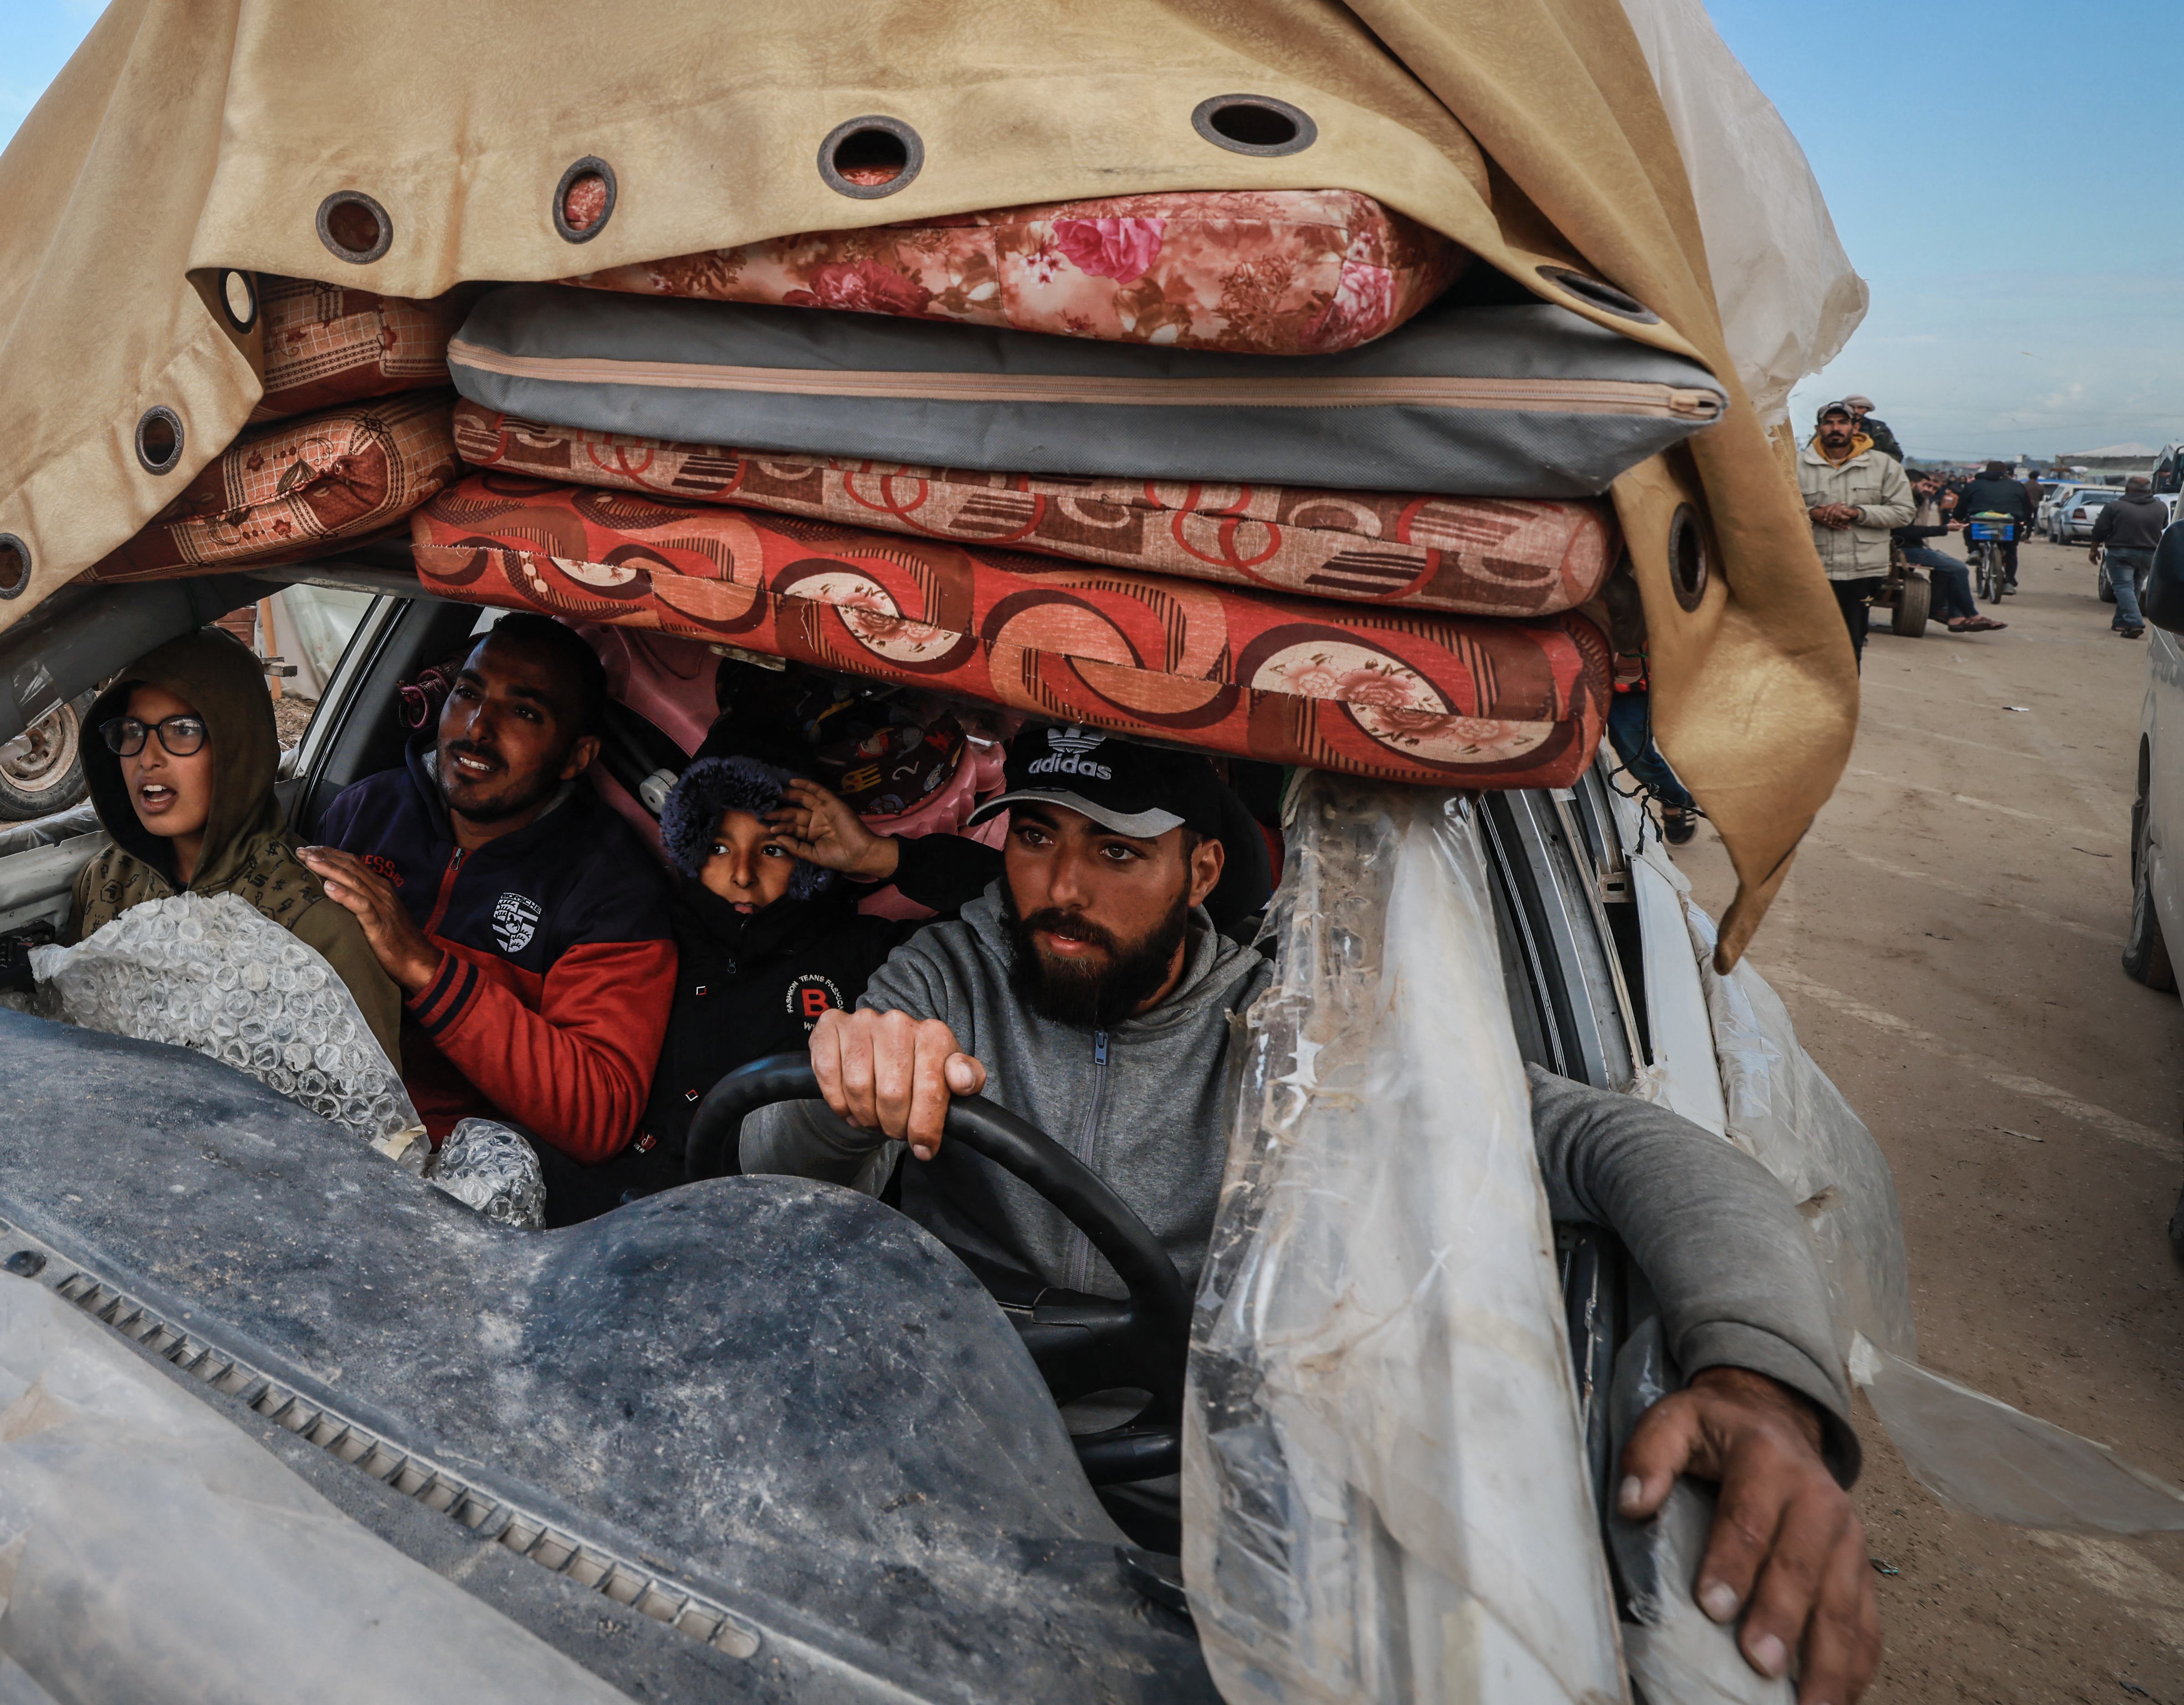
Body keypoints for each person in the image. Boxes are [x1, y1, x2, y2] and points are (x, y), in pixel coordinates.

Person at [755, 725, 1881, 1701]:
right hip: (928, 1454)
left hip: (1201, 1513)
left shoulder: (1298, 1031)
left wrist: (1757, 1377)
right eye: (1036, 836)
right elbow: (768, 1180)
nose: (1062, 888)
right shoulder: (945, 974)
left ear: (1201, 868)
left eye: (1116, 851)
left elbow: (1633, 1147)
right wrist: (844, 1090)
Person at [544, 753, 1010, 1221]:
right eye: (719, 848)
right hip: (608, 1220)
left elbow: (1018, 917)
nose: (743, 875)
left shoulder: (864, 954)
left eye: (772, 850)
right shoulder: (646, 927)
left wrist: (881, 855)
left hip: (774, 1234)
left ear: (811, 854)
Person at [303, 615, 676, 1172]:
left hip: (457, 1173)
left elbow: (599, 1110)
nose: (477, 728)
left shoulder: (612, 886)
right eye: (468, 694)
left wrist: (425, 969)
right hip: (311, 1119)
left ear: (577, 757)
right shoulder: (366, 809)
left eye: (523, 712)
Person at [67, 632, 401, 1062]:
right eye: (132, 732)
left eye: (183, 731)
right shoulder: (105, 881)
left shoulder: (316, 921)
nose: (147, 758)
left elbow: (367, 1094)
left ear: (239, 746)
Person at [1800, 401, 1914, 662]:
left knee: (1850, 647)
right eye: (1829, 423)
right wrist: (1812, 513)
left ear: (1856, 427)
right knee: (1807, 646)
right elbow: (1776, 508)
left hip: (1862, 572)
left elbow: (1904, 512)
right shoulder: (1796, 465)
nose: (1836, 428)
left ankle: (1847, 690)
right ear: (1818, 429)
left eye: (1843, 422)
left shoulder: (1885, 466)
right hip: (1811, 569)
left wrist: (1858, 513)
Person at [1893, 473, 2000, 634]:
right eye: (1926, 485)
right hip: (1901, 549)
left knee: (1948, 569)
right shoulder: (1901, 501)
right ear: (1912, 484)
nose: (1930, 490)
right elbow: (1905, 531)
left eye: (1934, 488)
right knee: (1958, 568)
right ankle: (1972, 615)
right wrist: (1944, 529)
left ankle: (1953, 616)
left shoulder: (1921, 500)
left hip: (1914, 547)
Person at [2095, 484, 2173, 639]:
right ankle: (2121, 622)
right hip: (2149, 554)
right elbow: (2164, 525)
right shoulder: (2161, 507)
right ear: (2149, 491)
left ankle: (2134, 622)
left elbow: (2100, 529)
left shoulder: (2115, 506)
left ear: (2127, 489)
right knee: (2135, 587)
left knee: (2123, 586)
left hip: (2121, 552)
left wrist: (2093, 549)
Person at [1957, 463, 2034, 602]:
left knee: (1969, 529)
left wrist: (1958, 517)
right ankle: (2008, 582)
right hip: (2010, 523)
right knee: (2011, 550)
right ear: (2006, 473)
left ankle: (1975, 551)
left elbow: (1962, 505)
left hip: (1980, 522)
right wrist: (2026, 519)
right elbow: (2027, 507)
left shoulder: (1973, 485)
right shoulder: (2017, 486)